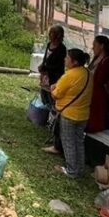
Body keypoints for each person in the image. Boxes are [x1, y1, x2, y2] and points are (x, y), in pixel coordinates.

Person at [51, 49, 93, 178]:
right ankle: (79, 168)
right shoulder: (88, 73)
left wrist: (52, 89)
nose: (65, 59)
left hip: (69, 114)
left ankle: (71, 170)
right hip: (83, 114)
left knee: (68, 142)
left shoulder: (70, 75)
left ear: (74, 62)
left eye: (67, 58)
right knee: (79, 142)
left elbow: (56, 95)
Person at [40, 26, 68, 156]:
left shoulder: (62, 48)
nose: (50, 35)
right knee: (44, 95)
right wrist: (43, 66)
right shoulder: (49, 44)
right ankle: (48, 119)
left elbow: (58, 65)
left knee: (53, 99)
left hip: (54, 76)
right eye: (50, 33)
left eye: (53, 33)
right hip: (46, 75)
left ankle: (52, 122)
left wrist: (46, 68)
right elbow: (46, 57)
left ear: (58, 35)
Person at [86, 35, 109, 133]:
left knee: (101, 118)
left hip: (100, 94)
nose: (93, 47)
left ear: (102, 46)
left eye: (95, 45)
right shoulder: (97, 58)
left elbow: (101, 80)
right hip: (93, 92)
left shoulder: (107, 60)